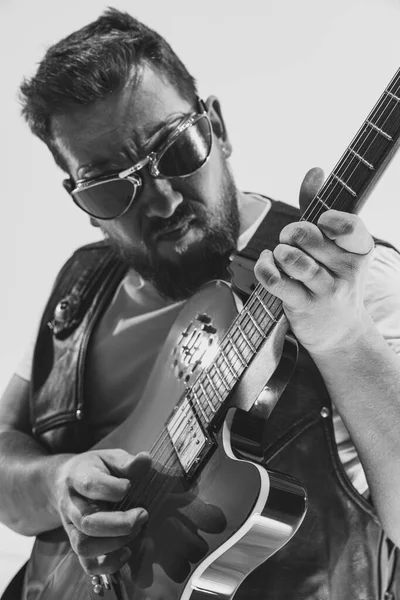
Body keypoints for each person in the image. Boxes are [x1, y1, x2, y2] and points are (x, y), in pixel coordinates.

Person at [1, 7, 400, 600]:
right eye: (111, 185)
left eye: (175, 149)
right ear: (79, 198)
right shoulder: (79, 289)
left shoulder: (348, 282)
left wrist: (343, 335)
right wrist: (58, 482)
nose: (161, 202)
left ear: (216, 125)